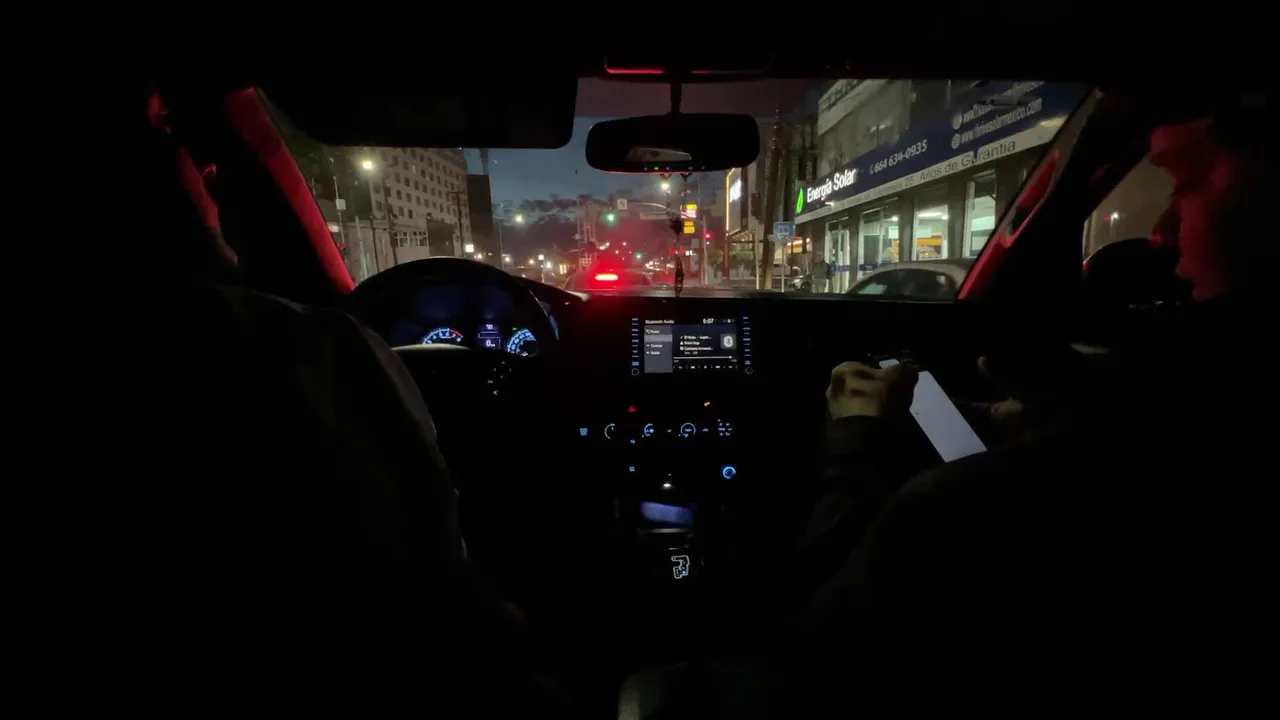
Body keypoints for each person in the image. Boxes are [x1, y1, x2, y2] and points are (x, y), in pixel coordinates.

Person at [777, 102, 1279, 719]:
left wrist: (854, 444)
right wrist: (1046, 415)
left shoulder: (954, 510)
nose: (1161, 229)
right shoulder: (1181, 415)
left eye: (1186, 182)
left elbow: (821, 651)